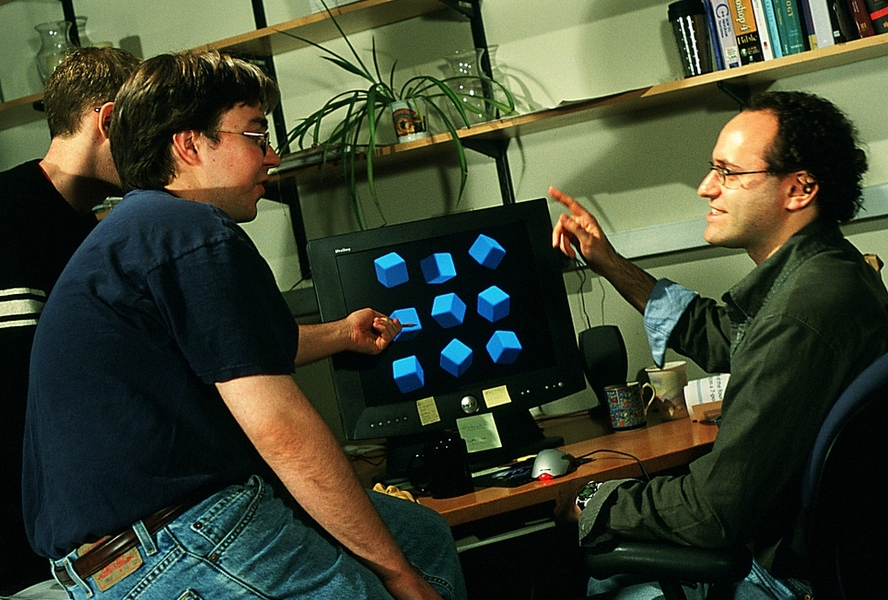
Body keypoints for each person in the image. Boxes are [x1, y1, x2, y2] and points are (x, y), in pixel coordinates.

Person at [23, 50, 465, 600]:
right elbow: (279, 427)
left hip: (130, 550)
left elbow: (241, 351)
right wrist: (398, 578)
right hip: (173, 542)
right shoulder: (192, 231)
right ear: (189, 144)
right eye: (256, 136)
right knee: (387, 580)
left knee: (421, 535)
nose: (273, 156)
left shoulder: (144, 229)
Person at [550, 91, 888, 599]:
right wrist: (610, 262)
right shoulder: (829, 272)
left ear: (799, 189)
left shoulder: (802, 311)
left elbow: (713, 510)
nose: (707, 188)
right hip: (828, 556)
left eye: (729, 173)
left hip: (787, 577)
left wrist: (596, 499)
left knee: (600, 579)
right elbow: (722, 332)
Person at [0, 46, 141, 594]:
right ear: (107, 121)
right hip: (25, 550)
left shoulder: (94, 232)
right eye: (146, 127)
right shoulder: (9, 214)